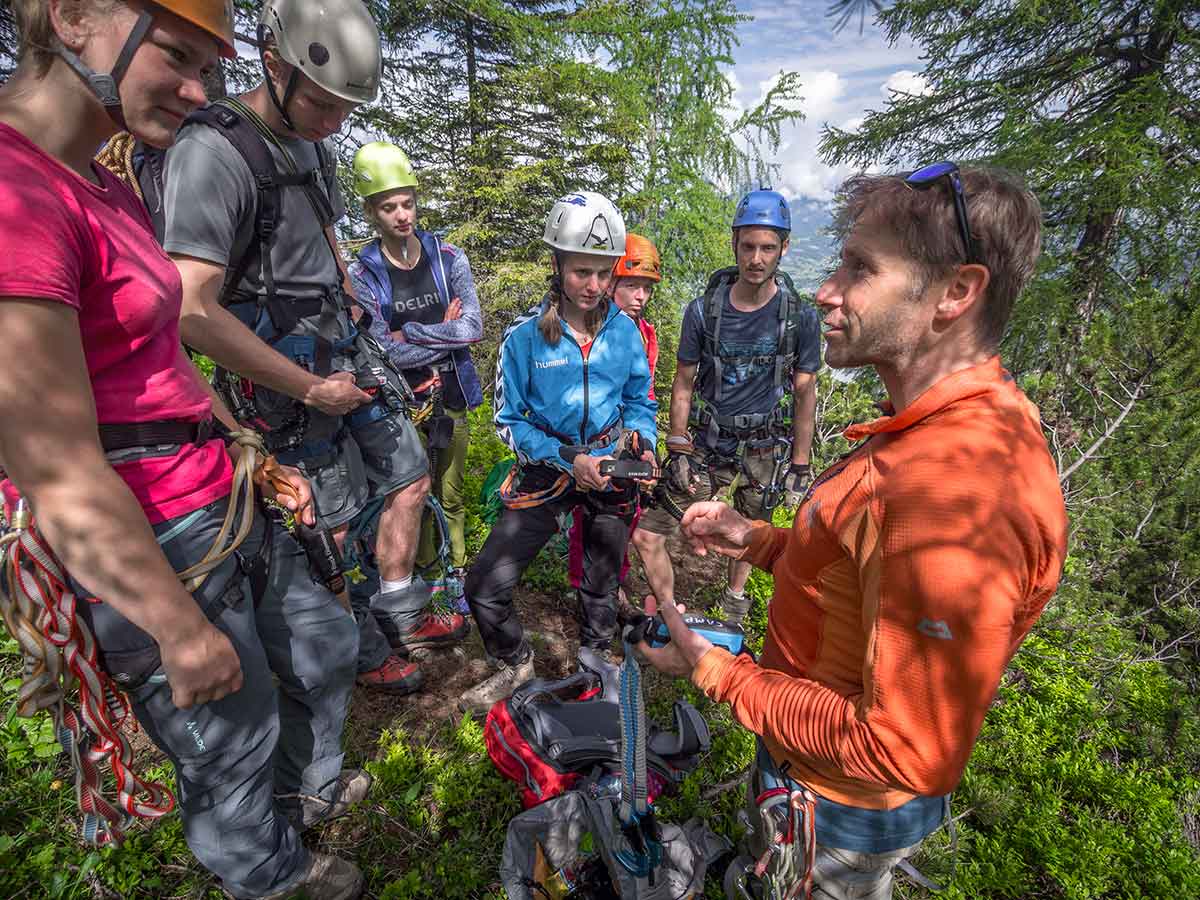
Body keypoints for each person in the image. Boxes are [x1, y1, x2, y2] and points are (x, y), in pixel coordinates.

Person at [0, 1, 368, 897]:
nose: (200, 90)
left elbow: (160, 349)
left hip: (216, 487)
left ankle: (305, 791)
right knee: (229, 741)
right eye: (177, 54)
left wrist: (247, 443)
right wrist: (172, 626)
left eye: (210, 64)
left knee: (322, 643)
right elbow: (53, 466)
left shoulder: (100, 180)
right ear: (75, 15)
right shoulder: (16, 198)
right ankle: (271, 874)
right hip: (151, 529)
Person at [636, 165, 1068, 900]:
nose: (828, 290)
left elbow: (896, 748)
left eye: (860, 268)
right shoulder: (939, 432)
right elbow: (866, 578)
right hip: (808, 773)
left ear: (956, 293)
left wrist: (717, 670)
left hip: (838, 807)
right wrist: (763, 543)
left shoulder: (953, 496)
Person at [161, 0, 467, 696]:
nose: (337, 123)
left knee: (408, 475)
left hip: (341, 340)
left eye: (345, 108)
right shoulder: (215, 150)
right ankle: (361, 651)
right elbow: (190, 310)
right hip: (282, 368)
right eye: (325, 104)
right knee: (319, 519)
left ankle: (396, 610)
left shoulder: (313, 145)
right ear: (275, 63)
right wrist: (305, 389)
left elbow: (323, 230)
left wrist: (350, 293)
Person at [458, 192, 658, 714]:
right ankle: (514, 661)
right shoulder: (524, 339)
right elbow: (508, 422)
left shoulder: (626, 333)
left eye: (602, 274)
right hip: (549, 470)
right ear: (558, 265)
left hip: (611, 466)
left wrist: (644, 440)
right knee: (485, 582)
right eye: (580, 272)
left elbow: (639, 399)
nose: (592, 287)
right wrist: (567, 458)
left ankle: (595, 661)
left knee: (601, 579)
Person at [636, 189, 821, 626]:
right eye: (748, 246)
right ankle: (667, 612)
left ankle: (733, 611)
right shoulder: (703, 312)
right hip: (707, 440)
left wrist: (799, 462)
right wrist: (678, 447)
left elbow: (805, 391)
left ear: (784, 249)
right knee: (650, 531)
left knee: (752, 533)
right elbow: (683, 383)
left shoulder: (800, 318)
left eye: (768, 248)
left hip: (764, 447)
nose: (757, 258)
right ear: (734, 244)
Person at [347, 141, 485, 592]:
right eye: (390, 208)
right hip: (400, 401)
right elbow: (380, 350)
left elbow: (472, 328)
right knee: (410, 491)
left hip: (451, 395)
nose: (402, 215)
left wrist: (414, 334)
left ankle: (456, 572)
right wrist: (441, 332)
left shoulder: (448, 258)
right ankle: (424, 577)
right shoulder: (363, 275)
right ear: (372, 212)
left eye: (408, 203)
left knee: (452, 490)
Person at [566, 233, 663, 603]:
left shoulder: (645, 333)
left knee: (626, 513)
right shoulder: (588, 332)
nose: (640, 296)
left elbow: (644, 394)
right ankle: (584, 587)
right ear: (611, 285)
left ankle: (611, 582)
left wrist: (646, 442)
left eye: (647, 289)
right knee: (586, 517)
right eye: (632, 286)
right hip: (594, 443)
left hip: (628, 439)